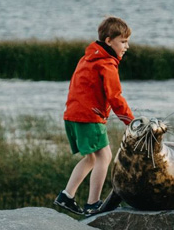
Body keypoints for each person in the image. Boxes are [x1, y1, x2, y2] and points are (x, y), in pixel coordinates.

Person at [54, 16, 134, 215]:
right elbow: (115, 97)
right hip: (89, 118)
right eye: (123, 41)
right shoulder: (106, 64)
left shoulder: (87, 58)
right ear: (109, 41)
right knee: (104, 157)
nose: (127, 46)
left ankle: (66, 196)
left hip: (73, 115)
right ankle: (93, 203)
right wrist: (131, 122)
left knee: (91, 158)